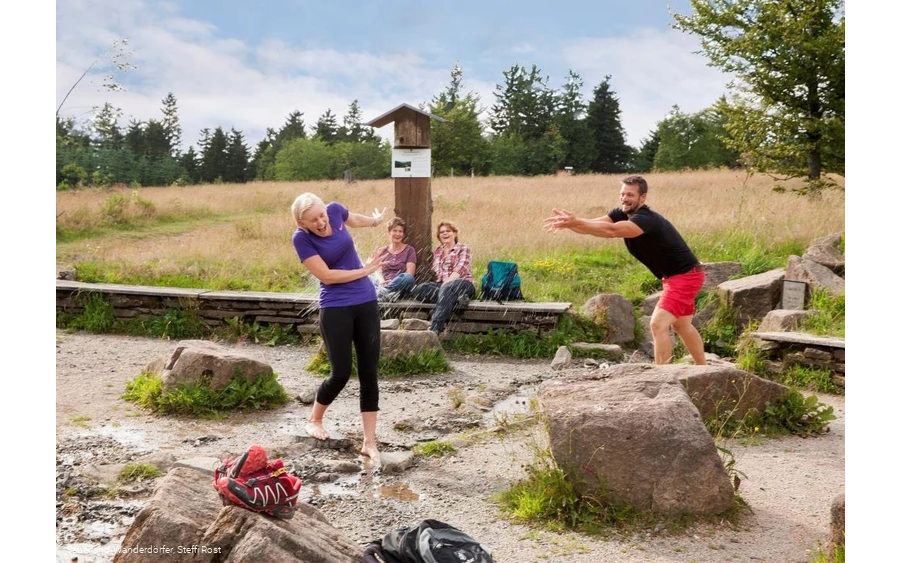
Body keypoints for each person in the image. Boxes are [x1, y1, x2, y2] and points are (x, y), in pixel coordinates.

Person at [543, 175, 707, 366]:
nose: (624, 198)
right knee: (682, 325)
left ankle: (662, 375)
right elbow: (593, 226)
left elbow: (611, 231)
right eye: (622, 194)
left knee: (658, 324)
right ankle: (702, 368)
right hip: (677, 277)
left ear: (643, 197)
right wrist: (571, 224)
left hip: (685, 277)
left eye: (630, 195)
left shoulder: (646, 219)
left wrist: (576, 221)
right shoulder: (621, 213)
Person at [291, 193, 387, 462]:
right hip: (335, 309)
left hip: (366, 302)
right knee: (341, 373)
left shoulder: (334, 210)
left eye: (322, 215)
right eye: (313, 220)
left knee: (369, 373)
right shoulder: (301, 238)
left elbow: (353, 218)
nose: (321, 222)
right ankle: (314, 419)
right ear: (302, 223)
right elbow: (327, 276)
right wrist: (365, 271)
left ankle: (369, 442)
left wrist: (375, 221)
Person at [410, 221, 476, 335]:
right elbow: (437, 273)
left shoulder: (463, 248)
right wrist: (443, 287)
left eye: (448, 231)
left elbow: (460, 270)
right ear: (439, 236)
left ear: (454, 233)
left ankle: (435, 328)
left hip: (463, 283)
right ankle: (457, 299)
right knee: (419, 289)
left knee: (447, 288)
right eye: (442, 232)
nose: (445, 233)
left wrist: (446, 285)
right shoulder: (438, 251)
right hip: (443, 286)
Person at [371, 217, 417, 302]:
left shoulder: (409, 250)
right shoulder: (382, 250)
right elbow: (377, 270)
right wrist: (382, 281)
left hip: (400, 287)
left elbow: (410, 273)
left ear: (403, 234)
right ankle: (385, 293)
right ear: (389, 232)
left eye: (400, 231)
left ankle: (382, 293)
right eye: (394, 231)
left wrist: (393, 282)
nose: (397, 234)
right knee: (368, 277)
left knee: (408, 278)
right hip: (383, 284)